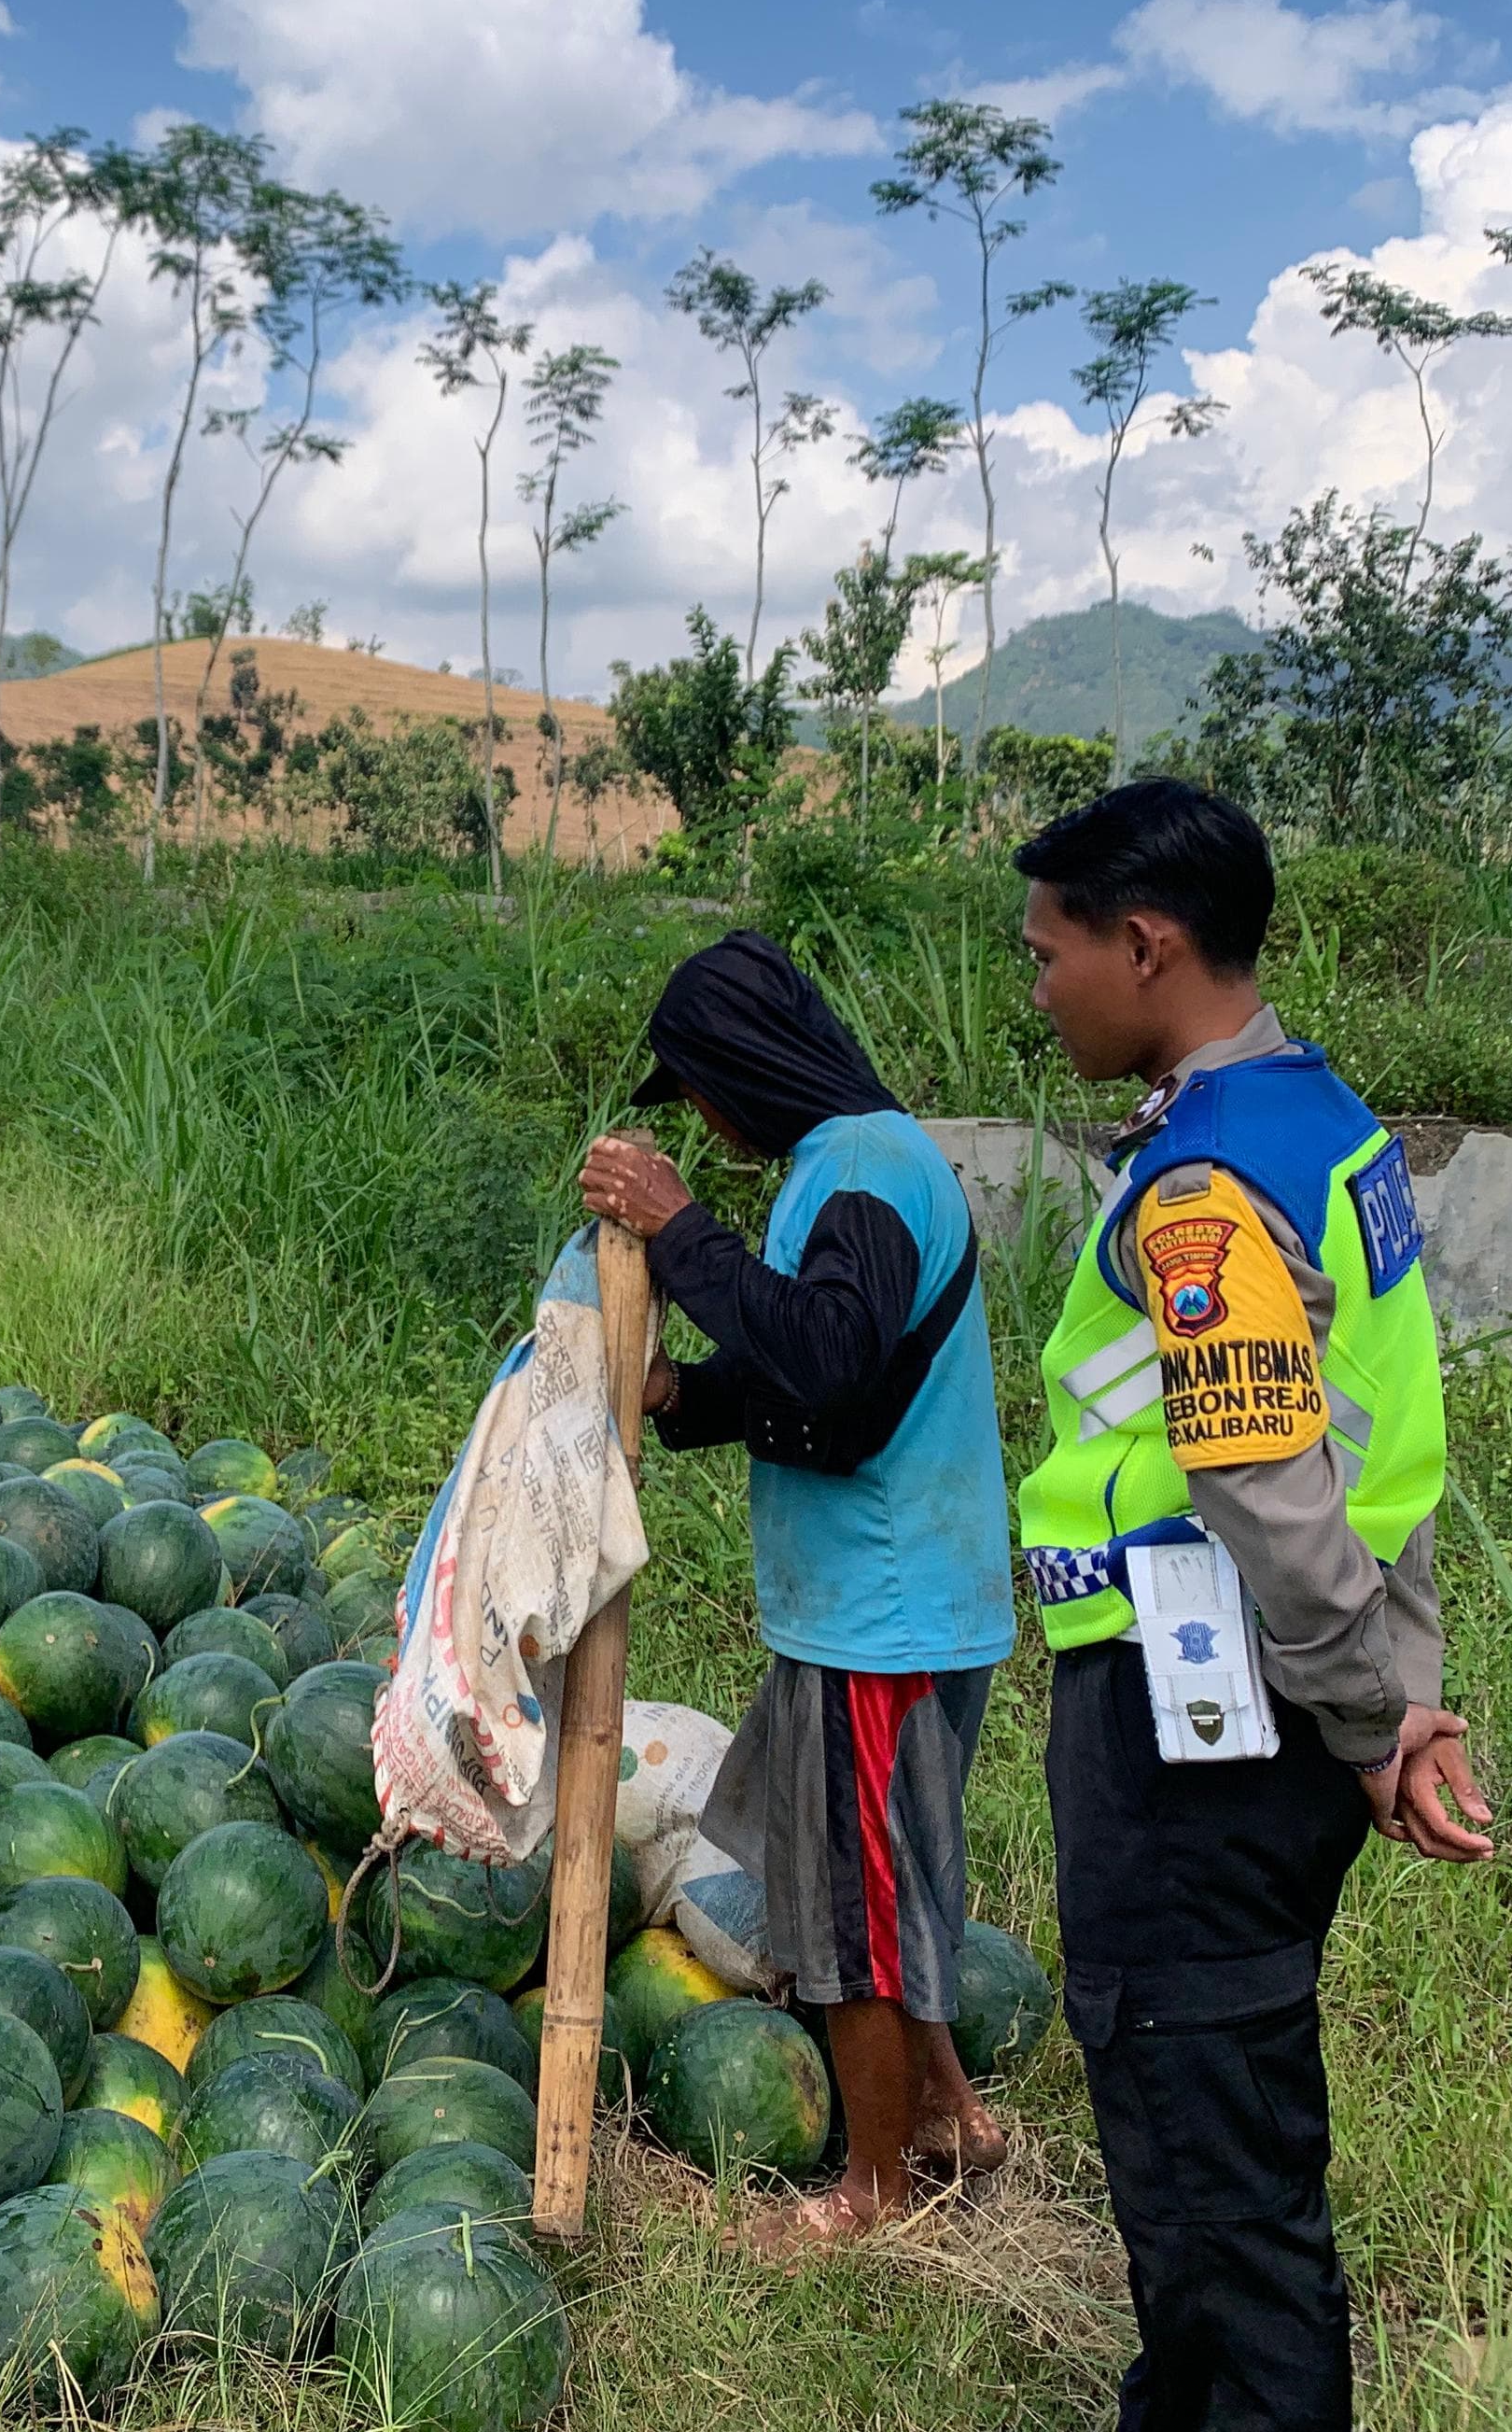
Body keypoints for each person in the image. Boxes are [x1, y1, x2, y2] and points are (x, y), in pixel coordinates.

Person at [1009, 779, 1492, 2432]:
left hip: (1202, 1734)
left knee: (1213, 2165)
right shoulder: (1327, 1120)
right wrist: (1392, 1698)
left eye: (1049, 950)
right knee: (1222, 2127)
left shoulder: (1206, 1187)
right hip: (1299, 1704)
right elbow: (1390, 1446)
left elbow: (1275, 1477)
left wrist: (1366, 1710)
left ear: (1147, 946)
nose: (1039, 985)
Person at [577, 930, 1017, 2242]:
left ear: (739, 1071)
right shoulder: (852, 1164)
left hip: (884, 1614)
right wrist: (687, 1393)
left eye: (702, 1093)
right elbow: (837, 1379)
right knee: (887, 1878)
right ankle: (949, 2111)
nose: (704, 1122)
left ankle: (873, 2194)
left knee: (857, 1912)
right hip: (881, 1602)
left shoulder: (865, 1170)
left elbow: (825, 1357)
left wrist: (680, 1230)